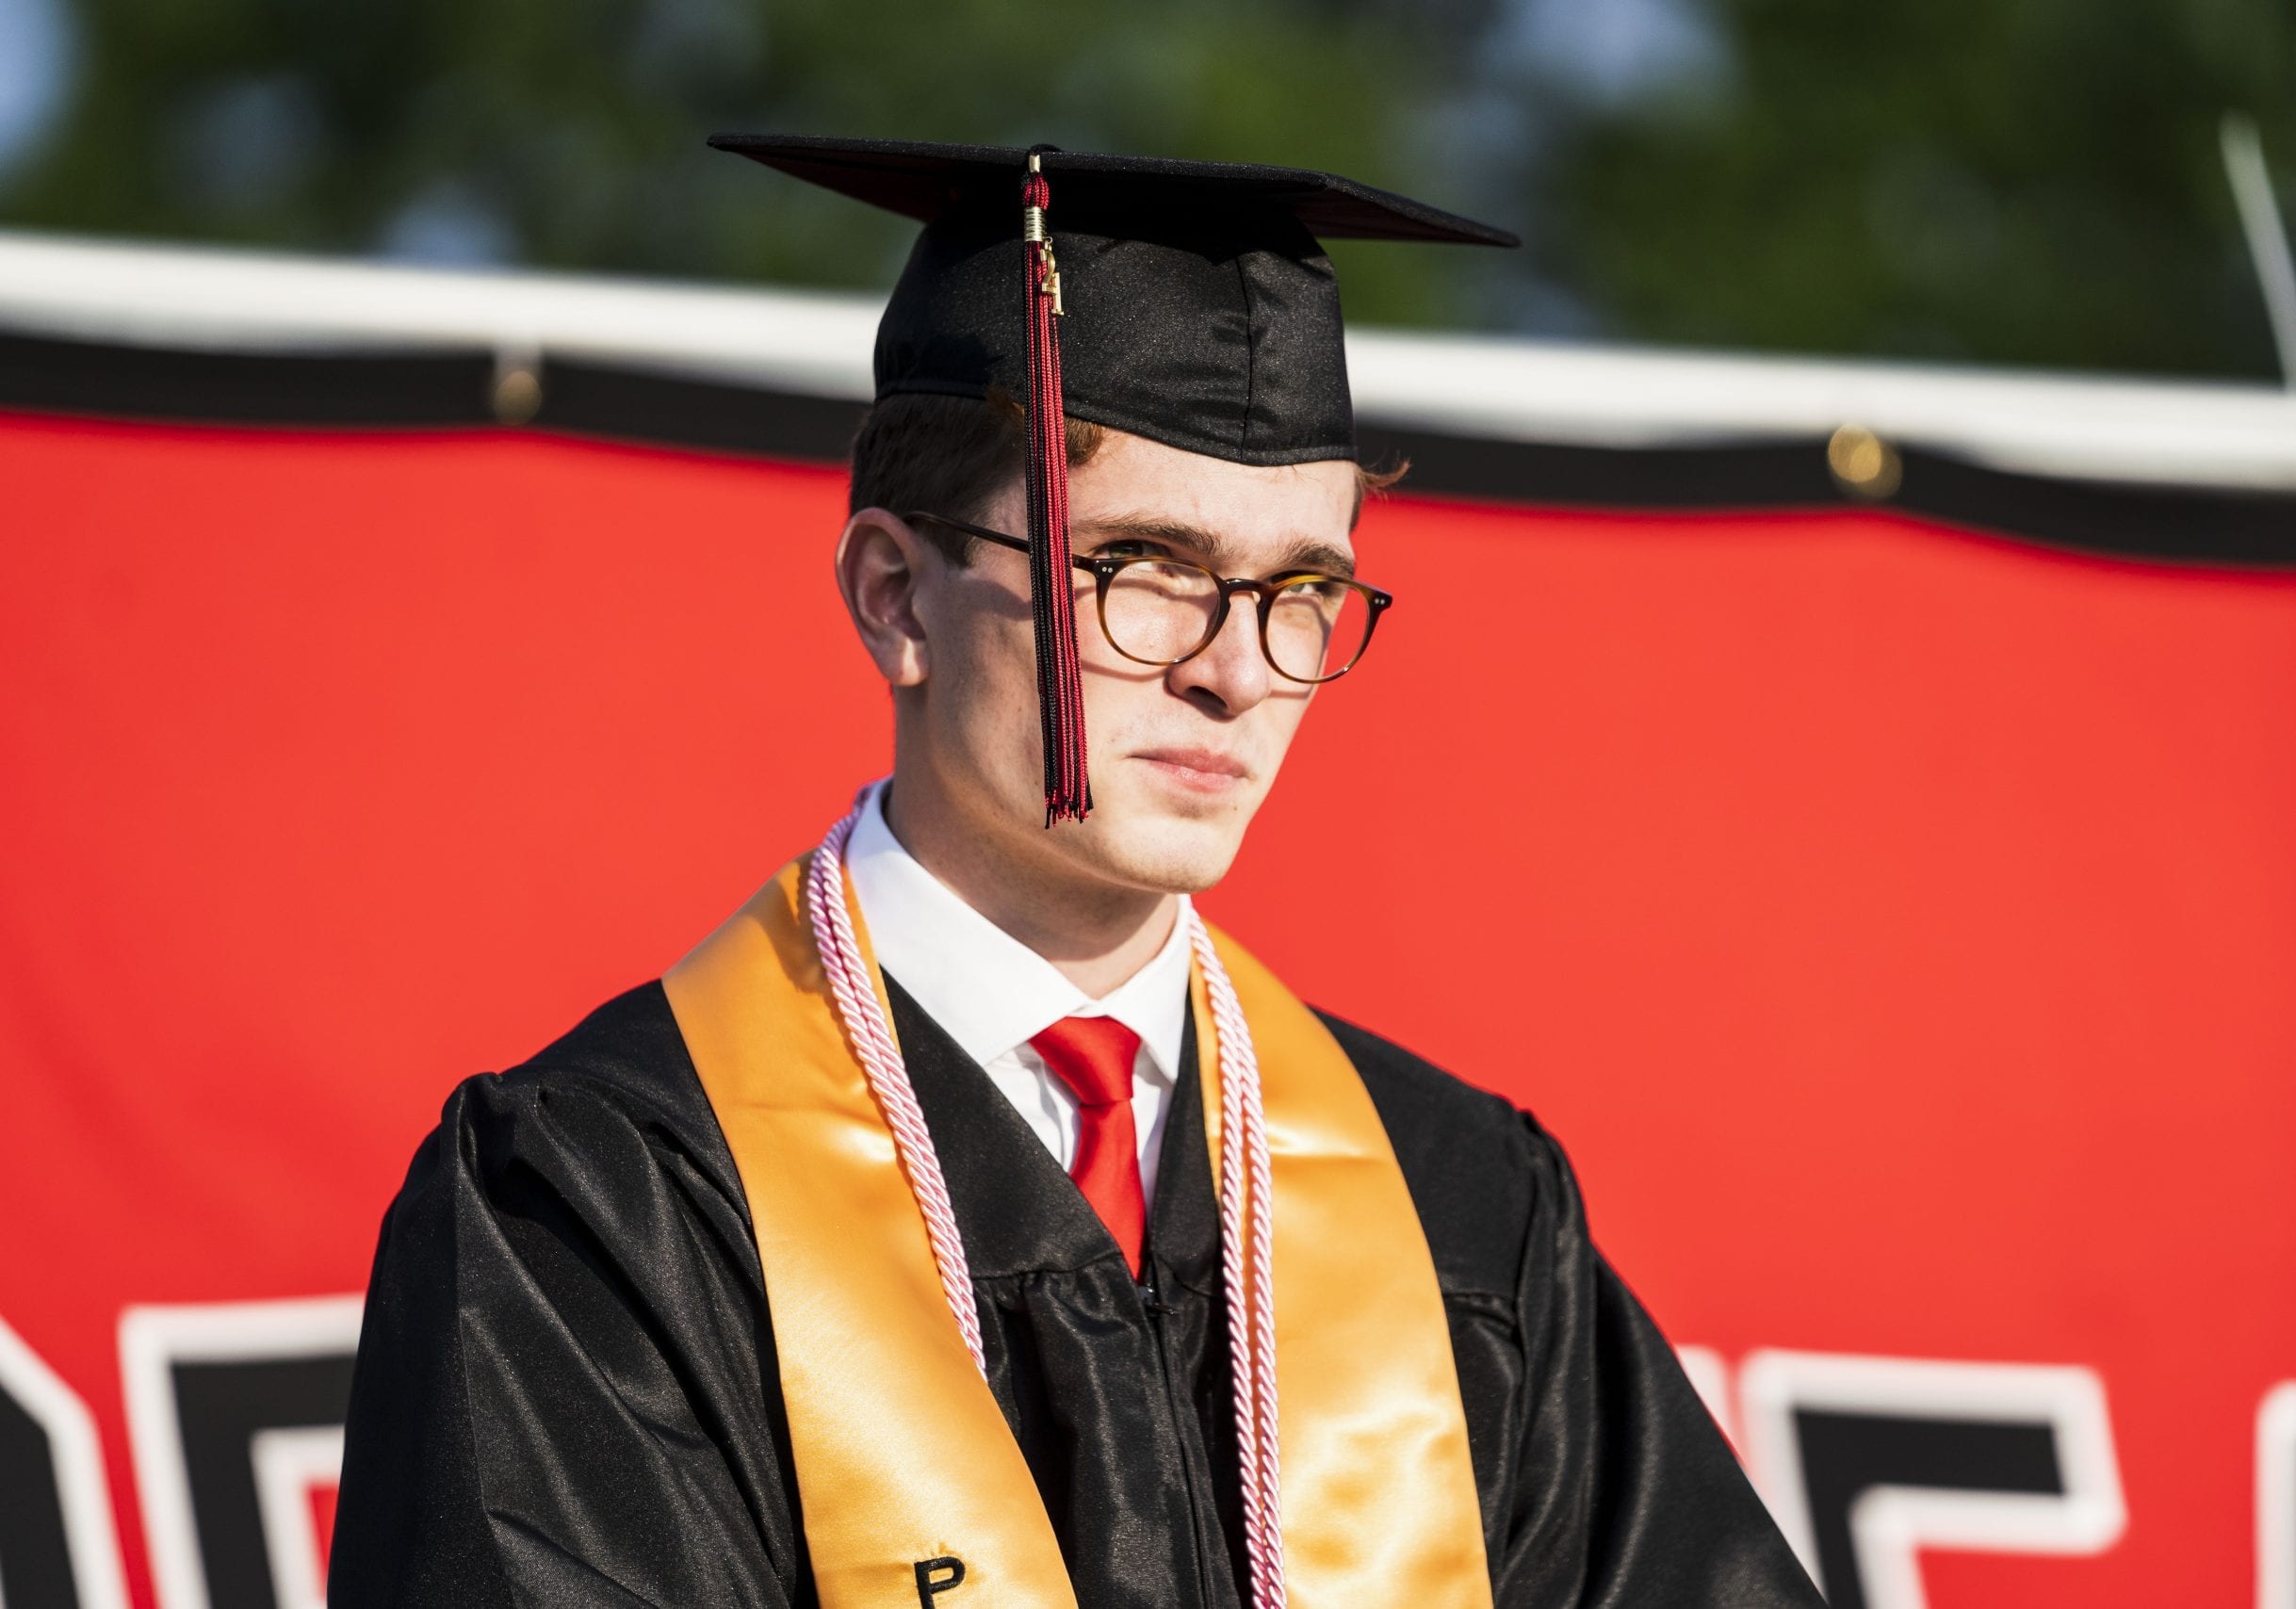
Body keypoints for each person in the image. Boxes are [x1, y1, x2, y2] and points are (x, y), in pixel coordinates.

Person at [328, 136, 1822, 1609]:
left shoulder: (1465, 1215)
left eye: (1303, 590)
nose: (1238, 670)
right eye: (1147, 572)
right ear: (895, 595)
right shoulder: (606, 1204)